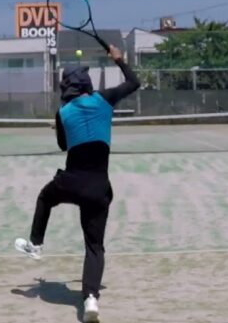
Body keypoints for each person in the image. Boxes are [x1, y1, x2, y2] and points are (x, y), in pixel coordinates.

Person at [15, 44, 140, 323]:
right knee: (95, 247)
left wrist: (60, 125)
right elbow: (134, 83)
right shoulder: (104, 99)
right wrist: (119, 60)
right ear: (87, 83)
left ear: (66, 88)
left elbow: (63, 145)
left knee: (45, 198)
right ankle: (91, 299)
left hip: (70, 182)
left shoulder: (63, 112)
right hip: (98, 188)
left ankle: (36, 244)